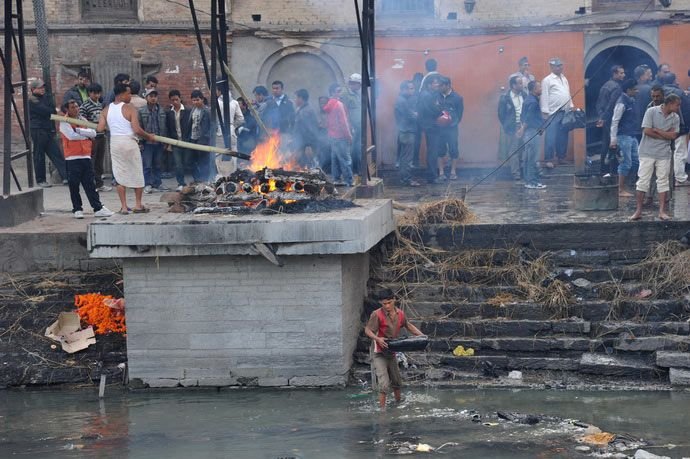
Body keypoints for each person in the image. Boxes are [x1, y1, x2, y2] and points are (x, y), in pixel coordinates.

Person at [97, 82, 155, 214]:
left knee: (119, 173)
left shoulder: (105, 110)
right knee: (137, 172)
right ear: (122, 94)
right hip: (129, 142)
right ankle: (138, 204)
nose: (130, 96)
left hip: (115, 143)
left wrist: (109, 125)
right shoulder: (130, 108)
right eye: (129, 93)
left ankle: (123, 207)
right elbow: (136, 129)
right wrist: (148, 136)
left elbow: (100, 128)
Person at [364, 289, 424, 409]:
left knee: (397, 382)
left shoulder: (400, 314)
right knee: (384, 384)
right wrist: (378, 338)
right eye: (384, 304)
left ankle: (398, 405)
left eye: (389, 303)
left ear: (394, 300)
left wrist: (422, 336)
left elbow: (408, 325)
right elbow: (367, 330)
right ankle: (382, 412)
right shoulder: (376, 314)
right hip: (379, 353)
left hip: (391, 351)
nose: (387, 306)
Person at [58, 100, 114, 219]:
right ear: (67, 110)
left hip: (85, 156)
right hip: (72, 158)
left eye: (77, 106)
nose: (76, 109)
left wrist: (79, 131)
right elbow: (71, 136)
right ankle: (77, 209)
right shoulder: (64, 122)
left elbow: (93, 133)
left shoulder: (82, 119)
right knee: (74, 185)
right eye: (73, 107)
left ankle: (98, 208)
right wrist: (85, 135)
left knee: (90, 184)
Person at [631, 93, 680, 221]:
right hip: (647, 152)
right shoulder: (651, 111)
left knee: (663, 181)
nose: (678, 107)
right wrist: (665, 135)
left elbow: (674, 135)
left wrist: (658, 131)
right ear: (670, 104)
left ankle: (662, 211)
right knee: (643, 181)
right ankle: (638, 211)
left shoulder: (675, 117)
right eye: (677, 105)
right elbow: (647, 131)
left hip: (664, 153)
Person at [28, 78, 67, 187]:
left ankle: (66, 177)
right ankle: (41, 180)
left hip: (48, 129)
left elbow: (52, 111)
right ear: (33, 89)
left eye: (42, 87)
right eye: (39, 87)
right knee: (39, 155)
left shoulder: (45, 98)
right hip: (38, 130)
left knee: (56, 153)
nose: (42, 89)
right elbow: (47, 111)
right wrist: (50, 110)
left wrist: (51, 110)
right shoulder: (32, 100)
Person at [609, 79, 641, 197]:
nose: (637, 91)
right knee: (625, 163)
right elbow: (615, 121)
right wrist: (613, 139)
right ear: (628, 90)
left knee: (635, 161)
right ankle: (620, 189)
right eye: (635, 89)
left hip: (631, 135)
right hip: (623, 136)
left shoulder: (630, 100)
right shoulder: (621, 103)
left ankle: (626, 185)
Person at [540, 57, 573, 168]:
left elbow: (567, 93)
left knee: (563, 135)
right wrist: (545, 111)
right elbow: (544, 96)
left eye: (561, 65)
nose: (560, 67)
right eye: (557, 66)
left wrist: (571, 105)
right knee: (551, 135)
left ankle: (561, 157)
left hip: (565, 111)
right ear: (551, 67)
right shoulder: (547, 80)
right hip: (553, 112)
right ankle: (549, 158)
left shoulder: (564, 78)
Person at [79, 82, 110, 191]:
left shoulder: (100, 105)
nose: (97, 95)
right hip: (92, 138)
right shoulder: (84, 106)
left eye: (98, 93)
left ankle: (99, 184)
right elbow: (82, 122)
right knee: (91, 161)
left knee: (99, 162)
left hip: (101, 136)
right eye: (94, 93)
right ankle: (90, 184)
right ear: (89, 93)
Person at [138, 87, 169, 193]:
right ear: (146, 98)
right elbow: (139, 127)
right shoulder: (141, 111)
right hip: (147, 142)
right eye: (151, 96)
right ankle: (147, 184)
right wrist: (140, 142)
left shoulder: (161, 110)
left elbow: (165, 127)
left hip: (159, 142)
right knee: (147, 165)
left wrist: (165, 141)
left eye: (155, 96)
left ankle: (158, 183)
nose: (153, 98)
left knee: (158, 164)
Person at [322, 83, 353, 186]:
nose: (340, 93)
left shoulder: (329, 104)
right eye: (338, 91)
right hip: (341, 136)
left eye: (340, 90)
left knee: (335, 158)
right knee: (345, 159)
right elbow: (343, 122)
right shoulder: (338, 104)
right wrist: (348, 136)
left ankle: (336, 179)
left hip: (332, 136)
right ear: (332, 93)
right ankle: (349, 181)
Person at [596, 65, 626, 173]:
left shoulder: (605, 85)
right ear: (614, 74)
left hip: (604, 117)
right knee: (612, 144)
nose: (623, 75)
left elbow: (599, 104)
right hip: (611, 118)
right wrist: (605, 118)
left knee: (605, 143)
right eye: (621, 73)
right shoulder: (616, 87)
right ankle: (611, 170)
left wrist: (601, 117)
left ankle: (603, 170)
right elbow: (612, 105)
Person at [498, 75, 527, 181]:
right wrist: (508, 125)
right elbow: (501, 114)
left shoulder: (524, 95)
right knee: (513, 150)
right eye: (519, 83)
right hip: (513, 127)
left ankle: (524, 170)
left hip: (525, 126)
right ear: (513, 85)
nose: (522, 85)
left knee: (524, 149)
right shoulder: (505, 98)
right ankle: (516, 173)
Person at [214, 82, 244, 177]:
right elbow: (241, 119)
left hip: (219, 131)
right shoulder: (235, 102)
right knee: (233, 153)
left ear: (219, 91)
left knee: (219, 153)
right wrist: (233, 126)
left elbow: (213, 119)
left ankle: (222, 176)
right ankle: (232, 175)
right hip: (231, 132)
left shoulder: (216, 102)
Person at [417, 74, 443, 183]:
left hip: (429, 126)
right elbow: (433, 110)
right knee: (433, 152)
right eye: (435, 83)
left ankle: (432, 175)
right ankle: (432, 176)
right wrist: (440, 111)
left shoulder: (427, 94)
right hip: (431, 126)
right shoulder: (427, 96)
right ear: (429, 85)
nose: (437, 85)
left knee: (432, 151)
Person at [438, 76, 464, 180]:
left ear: (448, 85)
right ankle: (441, 172)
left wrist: (452, 121)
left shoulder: (457, 98)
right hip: (440, 128)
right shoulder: (436, 96)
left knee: (453, 149)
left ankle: (453, 172)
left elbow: (459, 114)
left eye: (441, 85)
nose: (439, 87)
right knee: (440, 150)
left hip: (452, 128)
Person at [521, 81, 546, 189]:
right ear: (533, 90)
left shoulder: (528, 100)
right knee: (532, 158)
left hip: (531, 131)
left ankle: (529, 181)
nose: (541, 89)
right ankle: (533, 182)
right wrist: (523, 129)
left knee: (528, 158)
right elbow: (528, 118)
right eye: (539, 87)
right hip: (532, 132)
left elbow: (523, 116)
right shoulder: (533, 102)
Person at [394, 80, 420, 187]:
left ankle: (404, 178)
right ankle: (407, 179)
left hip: (404, 131)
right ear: (404, 89)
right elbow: (411, 116)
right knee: (407, 158)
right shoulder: (402, 101)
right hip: (407, 132)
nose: (413, 90)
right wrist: (415, 114)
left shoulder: (402, 100)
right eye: (410, 88)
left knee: (404, 157)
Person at [165, 89, 190, 191]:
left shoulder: (187, 111)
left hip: (187, 142)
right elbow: (168, 128)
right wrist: (169, 143)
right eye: (172, 100)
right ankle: (181, 182)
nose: (175, 102)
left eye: (176, 99)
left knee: (187, 162)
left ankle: (196, 181)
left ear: (180, 99)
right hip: (175, 142)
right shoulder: (169, 113)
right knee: (178, 164)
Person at [186, 89, 212, 183]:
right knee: (191, 161)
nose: (195, 102)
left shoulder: (207, 111)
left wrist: (207, 137)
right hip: (193, 139)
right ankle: (197, 179)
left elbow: (213, 126)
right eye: (193, 100)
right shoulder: (192, 110)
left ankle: (204, 180)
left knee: (203, 161)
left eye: (197, 100)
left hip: (203, 141)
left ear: (202, 99)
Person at [292, 88, 321, 168]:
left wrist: (308, 145)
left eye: (296, 98)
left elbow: (310, 129)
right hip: (302, 143)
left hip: (306, 144)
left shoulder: (306, 112)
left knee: (308, 165)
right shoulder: (302, 109)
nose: (295, 100)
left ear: (301, 98)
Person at [341, 73, 363, 177]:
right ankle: (352, 172)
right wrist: (350, 127)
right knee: (351, 150)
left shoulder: (357, 94)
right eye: (359, 84)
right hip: (351, 128)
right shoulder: (345, 95)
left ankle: (357, 170)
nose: (360, 87)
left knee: (357, 149)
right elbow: (344, 113)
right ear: (354, 83)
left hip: (358, 127)